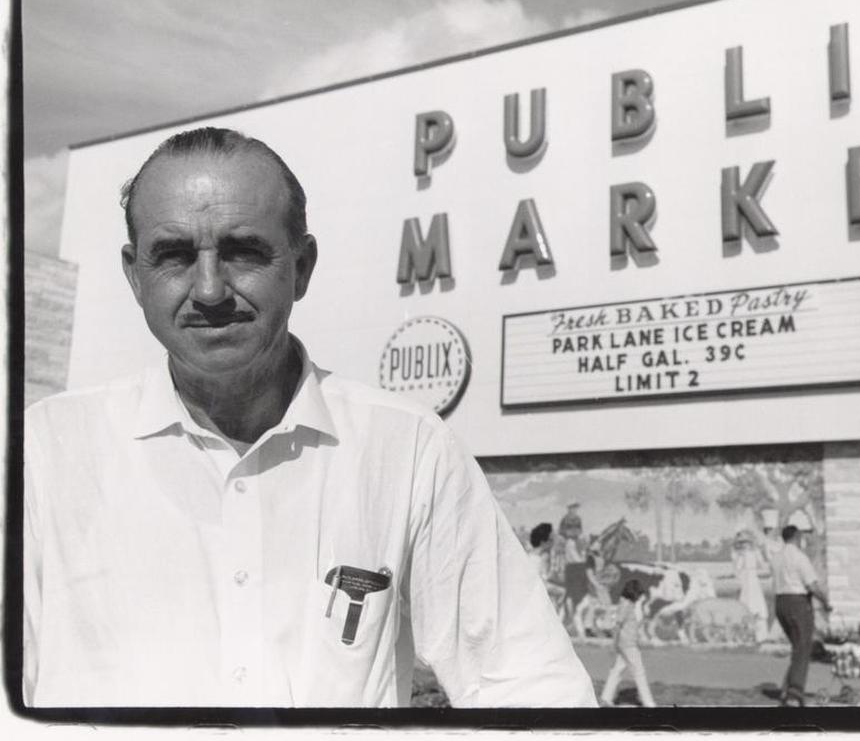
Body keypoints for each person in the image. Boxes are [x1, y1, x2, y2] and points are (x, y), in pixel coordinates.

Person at [23, 126, 596, 708]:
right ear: (133, 275)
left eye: (243, 251)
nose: (210, 287)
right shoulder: (46, 453)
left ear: (303, 267)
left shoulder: (406, 450)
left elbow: (528, 683)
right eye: (173, 256)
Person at [770, 525, 831, 707]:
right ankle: (795, 693)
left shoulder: (776, 558)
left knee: (798, 647)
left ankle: (786, 689)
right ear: (797, 537)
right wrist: (826, 602)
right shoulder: (799, 557)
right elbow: (811, 585)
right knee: (803, 647)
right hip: (797, 602)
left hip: (780, 603)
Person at [599, 579, 657, 708]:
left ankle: (605, 698)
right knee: (639, 672)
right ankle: (649, 703)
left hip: (626, 642)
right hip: (627, 644)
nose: (640, 595)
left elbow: (636, 622)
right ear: (633, 592)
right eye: (638, 593)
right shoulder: (626, 604)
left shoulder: (629, 603)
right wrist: (613, 644)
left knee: (617, 670)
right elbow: (617, 626)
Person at [731, 529, 770, 643]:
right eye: (742, 543)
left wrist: (758, 571)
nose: (744, 545)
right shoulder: (738, 555)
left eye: (746, 542)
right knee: (744, 603)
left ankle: (761, 635)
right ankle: (745, 635)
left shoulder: (755, 553)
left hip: (753, 580)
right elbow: (737, 570)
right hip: (744, 581)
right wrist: (739, 558)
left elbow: (763, 566)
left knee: (756, 604)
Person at [529, 522, 566, 612]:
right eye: (551, 540)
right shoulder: (536, 559)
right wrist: (561, 591)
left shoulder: (538, 556)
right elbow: (540, 584)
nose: (553, 543)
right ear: (543, 542)